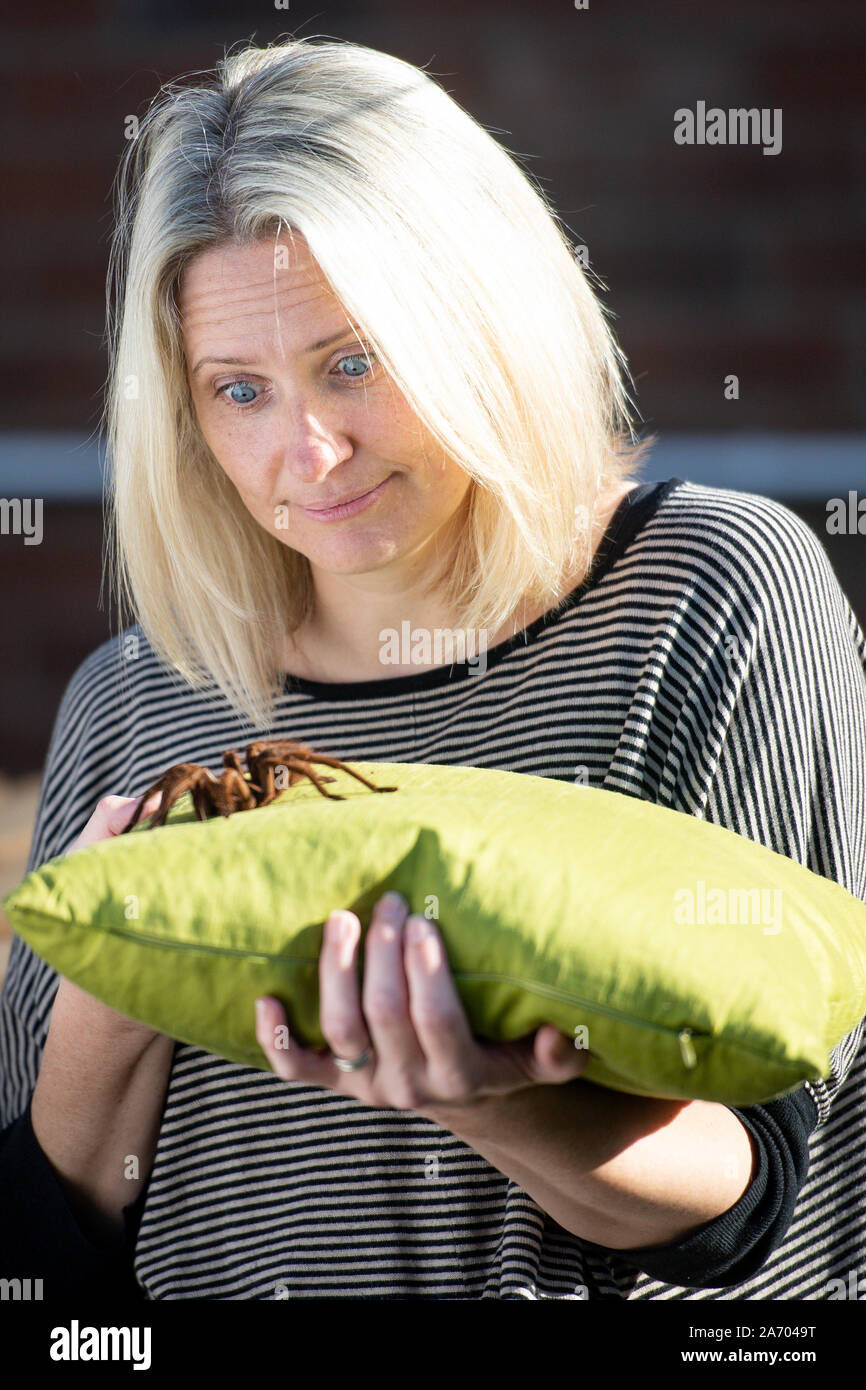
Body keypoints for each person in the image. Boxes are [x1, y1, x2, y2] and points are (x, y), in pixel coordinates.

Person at [1, 35, 864, 1302]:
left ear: (480, 320)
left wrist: (491, 1098)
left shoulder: (709, 592)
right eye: (237, 390)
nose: (309, 449)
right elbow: (47, 1247)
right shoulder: (137, 699)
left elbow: (777, 1186)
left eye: (352, 363)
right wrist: (113, 1008)